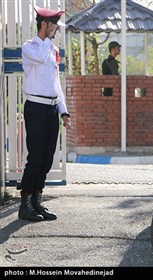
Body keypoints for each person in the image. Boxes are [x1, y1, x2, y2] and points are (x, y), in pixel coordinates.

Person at [18, 6, 72, 222]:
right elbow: (40, 57)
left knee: (47, 158)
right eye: (54, 25)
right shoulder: (30, 47)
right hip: (36, 108)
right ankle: (25, 204)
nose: (57, 30)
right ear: (44, 24)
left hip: (50, 109)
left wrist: (63, 110)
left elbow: (55, 84)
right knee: (36, 157)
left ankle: (37, 202)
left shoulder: (52, 49)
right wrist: (47, 40)